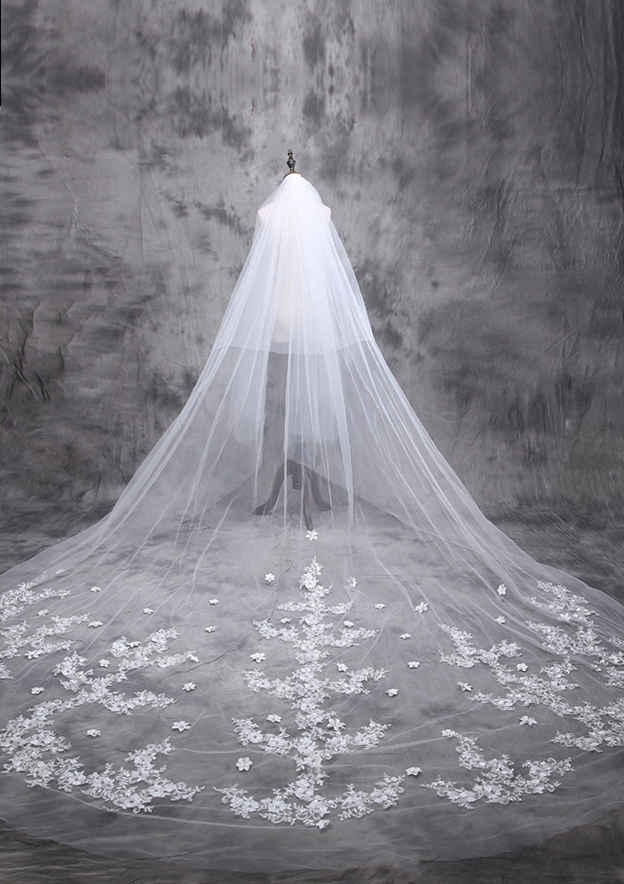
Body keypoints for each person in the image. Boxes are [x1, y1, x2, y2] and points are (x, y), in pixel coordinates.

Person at [0, 153, 622, 874]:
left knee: (294, 412)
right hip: (303, 323)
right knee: (285, 411)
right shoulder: (308, 210)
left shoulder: (280, 209)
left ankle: (298, 481)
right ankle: (295, 481)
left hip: (287, 322)